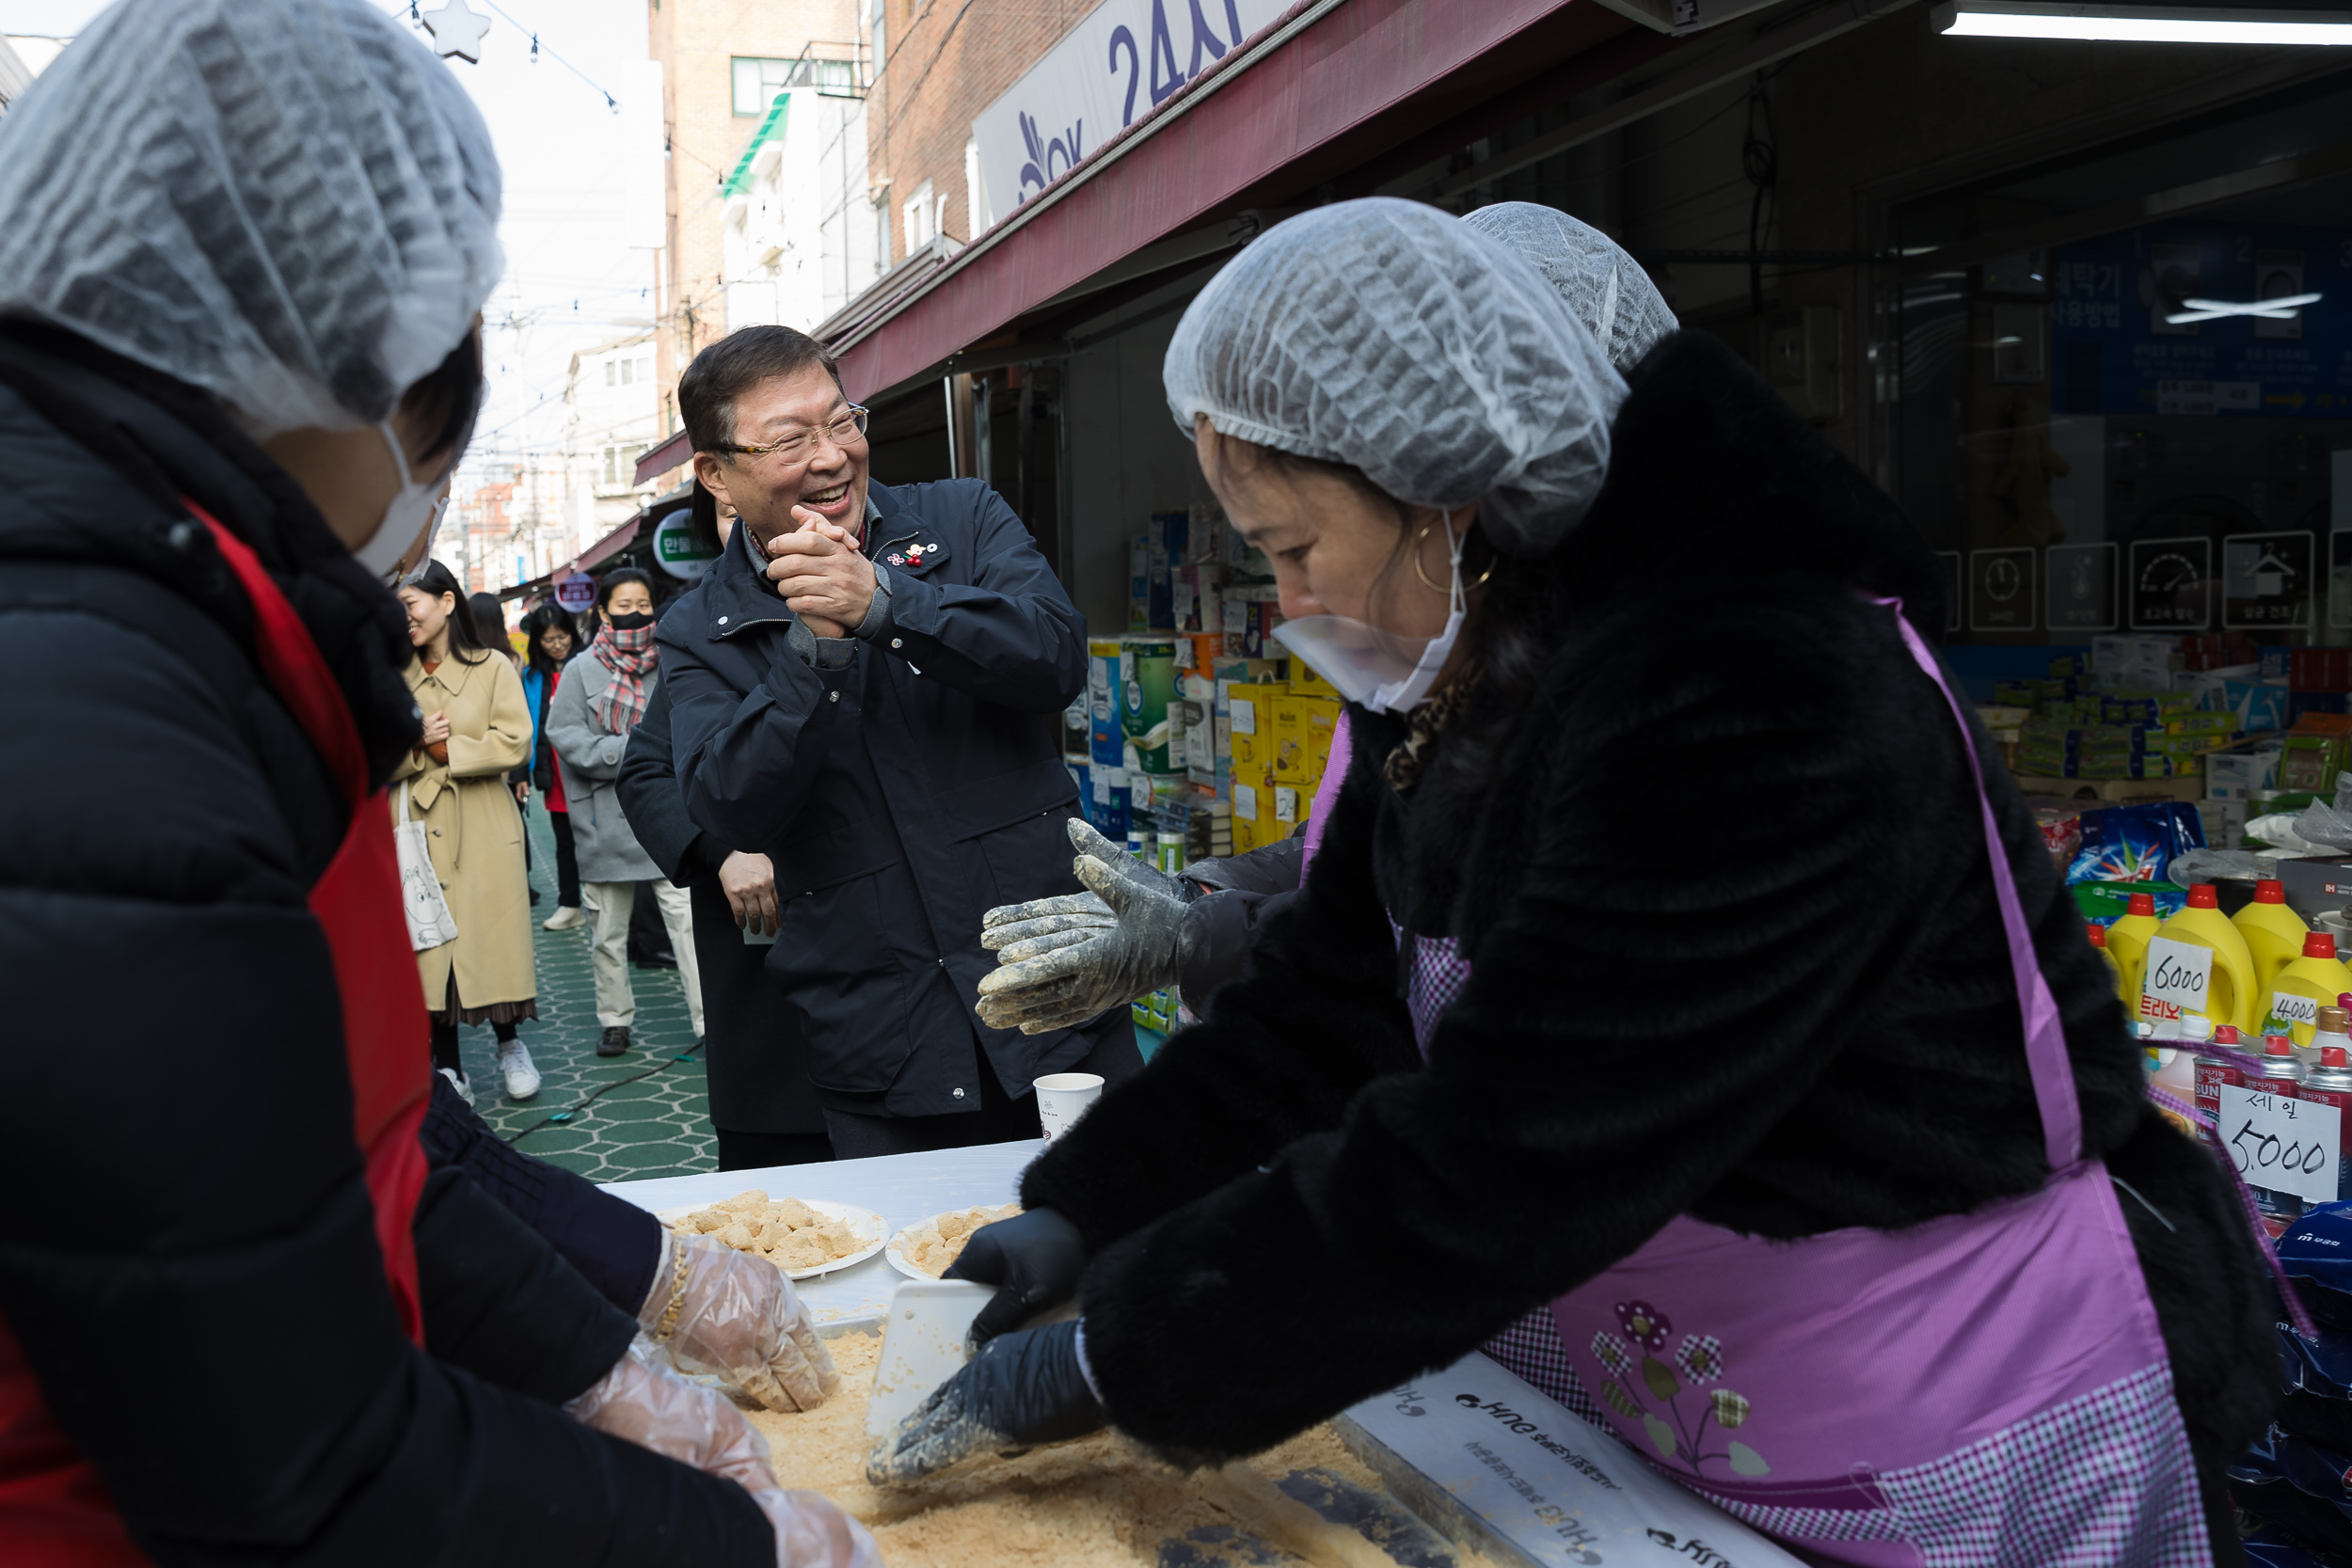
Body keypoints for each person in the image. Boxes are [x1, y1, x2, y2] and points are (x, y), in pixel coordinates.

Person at [871, 199, 2274, 1565]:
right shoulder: (1473, 657)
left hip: (1945, 1398)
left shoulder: (1762, 689)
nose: (1288, 602)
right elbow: (1329, 997)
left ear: (1444, 501)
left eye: (1293, 548)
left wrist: (1128, 1352)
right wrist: (1093, 1200)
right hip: (1683, 1382)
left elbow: (1523, 1137)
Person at [0, 4, 873, 1563]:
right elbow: (290, 1461)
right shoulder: (88, 697)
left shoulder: (185, 619)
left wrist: (618, 1319)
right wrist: (743, 1541)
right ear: (321, 362)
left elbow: (336, 1148)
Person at [977, 202, 1688, 1032]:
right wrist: (1193, 903)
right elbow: (1357, 864)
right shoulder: (1443, 662)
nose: (1293, 603)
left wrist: (1194, 937)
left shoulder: (1690, 705)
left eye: (1302, 545)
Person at [661, 324, 1141, 1158]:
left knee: (1133, 1239)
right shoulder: (699, 628)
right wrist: (813, 649)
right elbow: (729, 801)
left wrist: (888, 603)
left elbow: (1055, 656)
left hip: (1057, 991)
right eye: (790, 439)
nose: (832, 455)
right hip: (886, 1050)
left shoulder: (964, 515)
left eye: (842, 420)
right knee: (936, 1279)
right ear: (717, 474)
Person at [618, 484, 834, 1171]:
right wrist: (721, 847)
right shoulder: (699, 633)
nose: (752, 521)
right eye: (731, 509)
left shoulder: (892, 598)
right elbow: (645, 773)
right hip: (769, 980)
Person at [398, 559, 542, 1102]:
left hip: (482, 822)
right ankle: (447, 1064)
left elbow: (516, 741)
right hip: (414, 822)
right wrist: (412, 744)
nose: (403, 618)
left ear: (447, 602)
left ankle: (510, 1045)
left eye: (409, 605)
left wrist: (445, 747)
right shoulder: (393, 678)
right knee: (428, 938)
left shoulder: (492, 666)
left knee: (491, 937)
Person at [550, 567, 705, 1057]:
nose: (635, 614)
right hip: (604, 822)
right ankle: (614, 1020)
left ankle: (708, 1020)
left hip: (669, 816)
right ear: (602, 612)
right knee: (607, 933)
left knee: (688, 926)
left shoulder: (672, 661)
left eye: (643, 604)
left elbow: (694, 723)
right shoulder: (580, 670)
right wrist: (631, 754)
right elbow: (566, 736)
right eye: (623, 605)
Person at [521, 601, 587, 926]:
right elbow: (523, 724)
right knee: (564, 841)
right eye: (549, 640)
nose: (558, 645)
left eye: (562, 637)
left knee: (600, 839)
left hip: (590, 769)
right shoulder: (532, 677)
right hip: (556, 773)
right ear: (538, 642)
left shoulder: (590, 663)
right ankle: (570, 904)